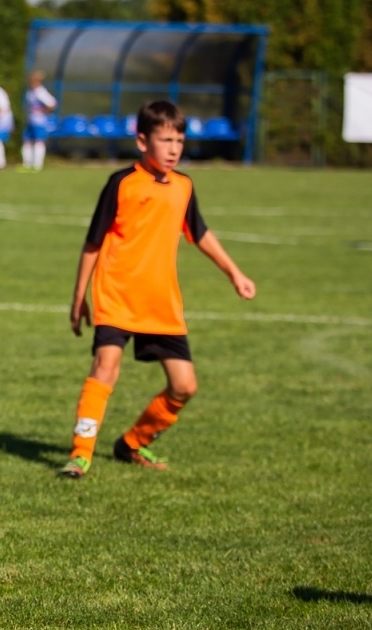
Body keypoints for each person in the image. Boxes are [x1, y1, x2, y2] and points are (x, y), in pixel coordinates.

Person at [60, 100, 256, 479]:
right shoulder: (121, 183)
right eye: (165, 140)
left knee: (184, 386)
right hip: (117, 293)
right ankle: (80, 453)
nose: (174, 149)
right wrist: (78, 297)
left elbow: (198, 232)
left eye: (179, 140)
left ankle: (132, 443)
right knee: (106, 366)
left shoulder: (183, 186)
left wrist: (234, 273)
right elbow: (92, 242)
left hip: (161, 301)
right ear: (142, 141)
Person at [22, 70, 57, 171]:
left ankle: (37, 165)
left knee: (38, 142)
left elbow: (52, 104)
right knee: (27, 141)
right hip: (30, 120)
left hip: (39, 122)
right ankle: (27, 164)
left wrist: (42, 110)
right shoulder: (30, 92)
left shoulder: (41, 92)